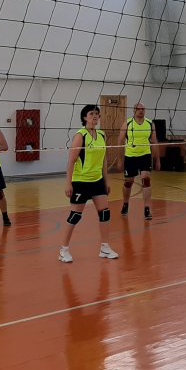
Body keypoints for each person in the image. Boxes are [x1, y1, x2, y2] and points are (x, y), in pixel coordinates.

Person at [59, 104, 118, 263]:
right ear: (85, 117)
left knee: (105, 213)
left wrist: (106, 181)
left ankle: (105, 248)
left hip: (97, 181)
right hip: (81, 181)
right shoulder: (81, 135)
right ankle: (63, 250)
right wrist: (68, 183)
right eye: (91, 114)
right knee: (75, 216)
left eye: (97, 114)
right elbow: (71, 160)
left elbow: (104, 160)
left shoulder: (102, 135)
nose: (95, 116)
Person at [120, 102, 161, 220]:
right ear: (134, 110)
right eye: (138, 109)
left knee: (146, 180)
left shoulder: (150, 123)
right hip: (130, 156)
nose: (141, 111)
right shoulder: (127, 123)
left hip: (145, 155)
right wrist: (120, 160)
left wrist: (157, 160)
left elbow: (154, 142)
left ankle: (147, 209)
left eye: (143, 109)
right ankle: (125, 203)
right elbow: (120, 141)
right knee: (129, 182)